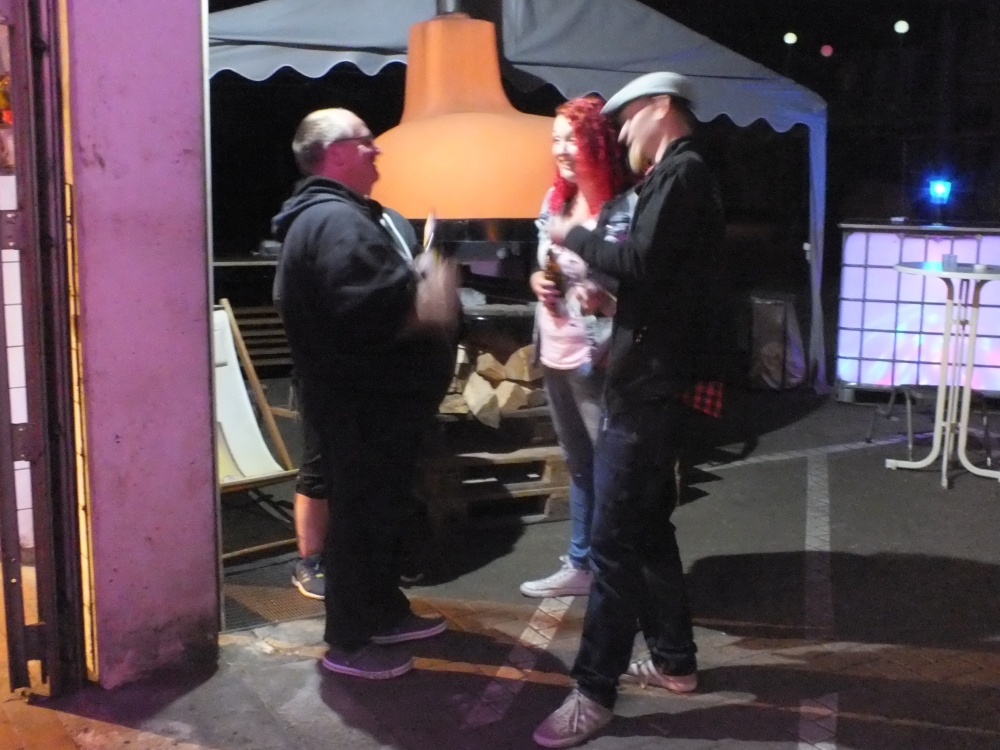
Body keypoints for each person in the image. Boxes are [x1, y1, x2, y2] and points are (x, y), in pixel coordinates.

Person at [532, 73, 732, 747]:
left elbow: (641, 259)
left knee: (613, 543)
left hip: (647, 386)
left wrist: (572, 236)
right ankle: (674, 661)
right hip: (651, 377)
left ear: (661, 107)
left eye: (626, 120)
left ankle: (594, 690)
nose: (620, 134)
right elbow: (668, 283)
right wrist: (616, 304)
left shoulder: (681, 173)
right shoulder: (679, 176)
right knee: (645, 530)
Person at [273, 108, 458, 680]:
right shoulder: (335, 221)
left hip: (367, 404)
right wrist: (431, 292)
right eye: (366, 141)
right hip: (362, 405)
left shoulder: (342, 217)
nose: (377, 150)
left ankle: (383, 612)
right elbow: (372, 310)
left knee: (378, 513)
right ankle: (350, 641)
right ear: (335, 153)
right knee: (360, 518)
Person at [277, 203, 428, 602]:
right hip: (328, 367)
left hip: (382, 368)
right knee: (319, 466)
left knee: (374, 464)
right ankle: (310, 560)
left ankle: (378, 555)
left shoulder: (393, 221)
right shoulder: (323, 220)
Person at [519, 95, 634, 599]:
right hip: (554, 348)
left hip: (599, 355)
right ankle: (582, 563)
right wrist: (537, 282)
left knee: (611, 467)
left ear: (598, 142)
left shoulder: (624, 209)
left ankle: (616, 567)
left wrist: (605, 299)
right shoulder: (555, 201)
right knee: (579, 463)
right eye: (556, 139)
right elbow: (541, 266)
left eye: (572, 138)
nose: (561, 149)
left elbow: (643, 287)